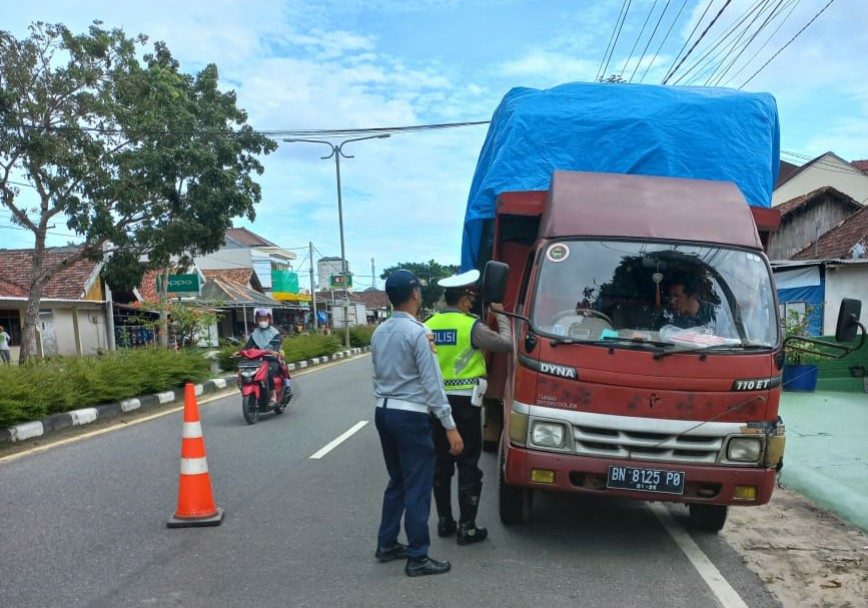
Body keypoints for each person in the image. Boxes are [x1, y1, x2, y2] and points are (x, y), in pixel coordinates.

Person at [371, 269, 464, 578]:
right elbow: (433, 383)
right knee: (418, 486)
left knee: (397, 480)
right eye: (419, 290)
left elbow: (377, 376)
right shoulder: (418, 333)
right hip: (410, 416)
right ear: (414, 293)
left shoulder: (379, 332)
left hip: (383, 412)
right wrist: (450, 426)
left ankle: (387, 544)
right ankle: (418, 557)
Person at [424, 269, 513, 545]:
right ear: (462, 299)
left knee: (441, 464)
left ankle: (444, 522)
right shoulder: (471, 326)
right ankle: (467, 527)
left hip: (435, 403)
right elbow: (506, 345)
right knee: (467, 462)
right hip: (464, 403)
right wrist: (501, 316)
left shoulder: (428, 324)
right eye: (471, 297)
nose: (473, 301)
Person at [242, 308, 284, 403]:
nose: (262, 322)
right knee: (248, 373)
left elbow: (277, 344)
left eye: (265, 319)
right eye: (260, 319)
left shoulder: (275, 333)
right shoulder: (255, 334)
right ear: (257, 321)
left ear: (269, 320)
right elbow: (248, 346)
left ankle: (273, 394)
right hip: (258, 360)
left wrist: (275, 351)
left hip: (272, 359)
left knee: (268, 374)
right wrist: (241, 352)